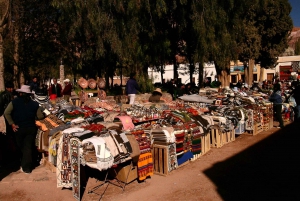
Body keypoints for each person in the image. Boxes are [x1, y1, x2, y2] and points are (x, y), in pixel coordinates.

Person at [4, 85, 45, 174]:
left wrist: (12, 124)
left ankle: (23, 165)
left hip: (18, 129)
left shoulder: (14, 102)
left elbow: (6, 113)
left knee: (20, 146)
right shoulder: (35, 104)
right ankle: (27, 167)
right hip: (31, 128)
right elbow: (40, 116)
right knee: (28, 147)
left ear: (21, 93)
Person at [0, 81, 15, 169]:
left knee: (9, 128)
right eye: (11, 88)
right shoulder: (5, 95)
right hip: (8, 114)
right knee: (9, 128)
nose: (12, 89)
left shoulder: (6, 94)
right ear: (7, 88)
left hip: (7, 114)